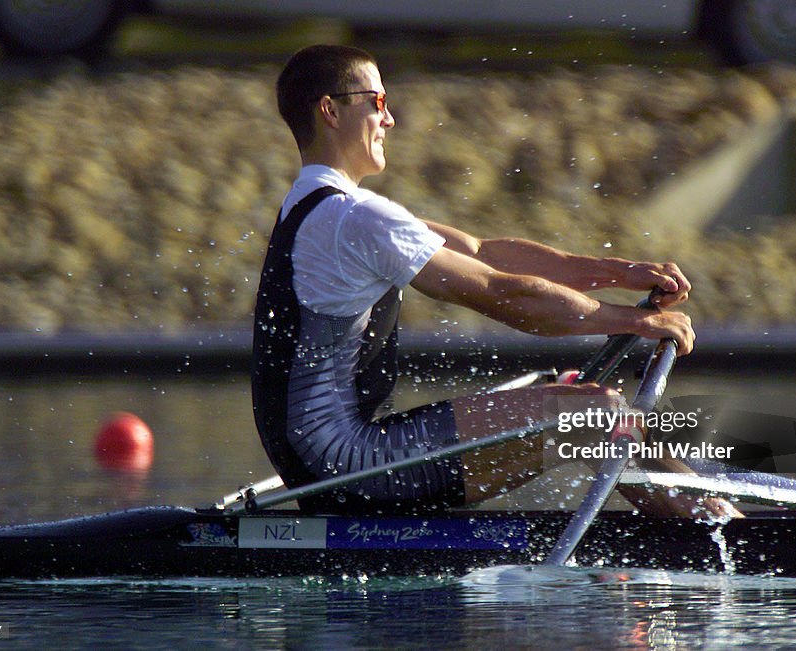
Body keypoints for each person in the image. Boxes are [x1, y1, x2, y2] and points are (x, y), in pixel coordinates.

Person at [253, 44, 739, 518]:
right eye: (378, 102)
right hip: (347, 466)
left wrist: (623, 273)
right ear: (330, 111)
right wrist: (633, 322)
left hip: (329, 461)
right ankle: (720, 533)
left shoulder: (319, 207)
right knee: (596, 414)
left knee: (581, 400)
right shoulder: (352, 216)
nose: (390, 118)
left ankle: (709, 518)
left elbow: (483, 253)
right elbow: (501, 293)